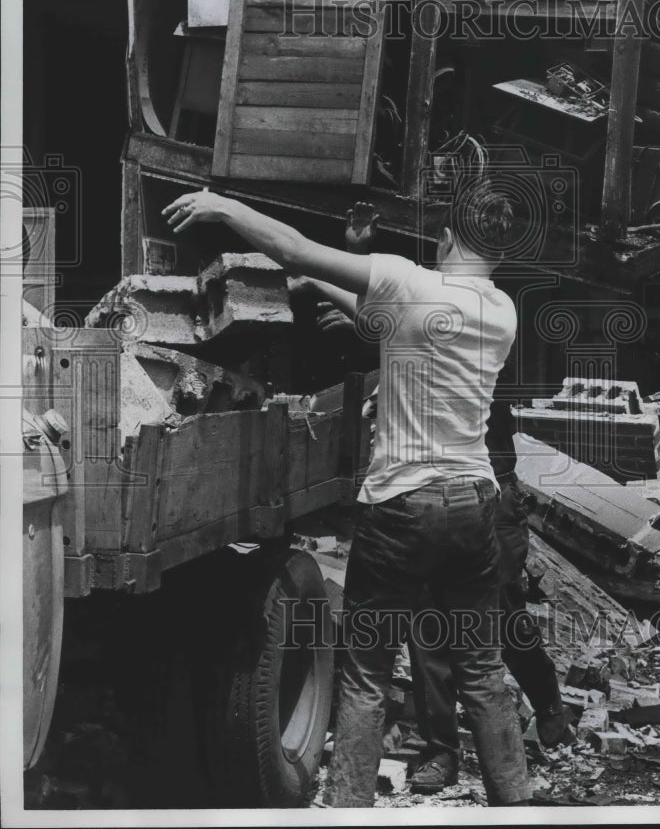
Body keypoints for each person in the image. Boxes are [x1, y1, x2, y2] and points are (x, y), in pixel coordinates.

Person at [162, 184, 532, 808]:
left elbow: (297, 250)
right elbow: (375, 315)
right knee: (483, 669)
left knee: (365, 677)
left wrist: (223, 206)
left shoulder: (409, 281)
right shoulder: (501, 311)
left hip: (404, 506)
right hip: (473, 502)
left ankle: (349, 812)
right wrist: (328, 270)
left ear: (445, 236)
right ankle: (517, 804)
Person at [408, 376, 573, 793]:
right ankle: (442, 749)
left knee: (500, 614)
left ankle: (548, 703)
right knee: (428, 625)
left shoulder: (478, 330)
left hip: (492, 493)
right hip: (430, 495)